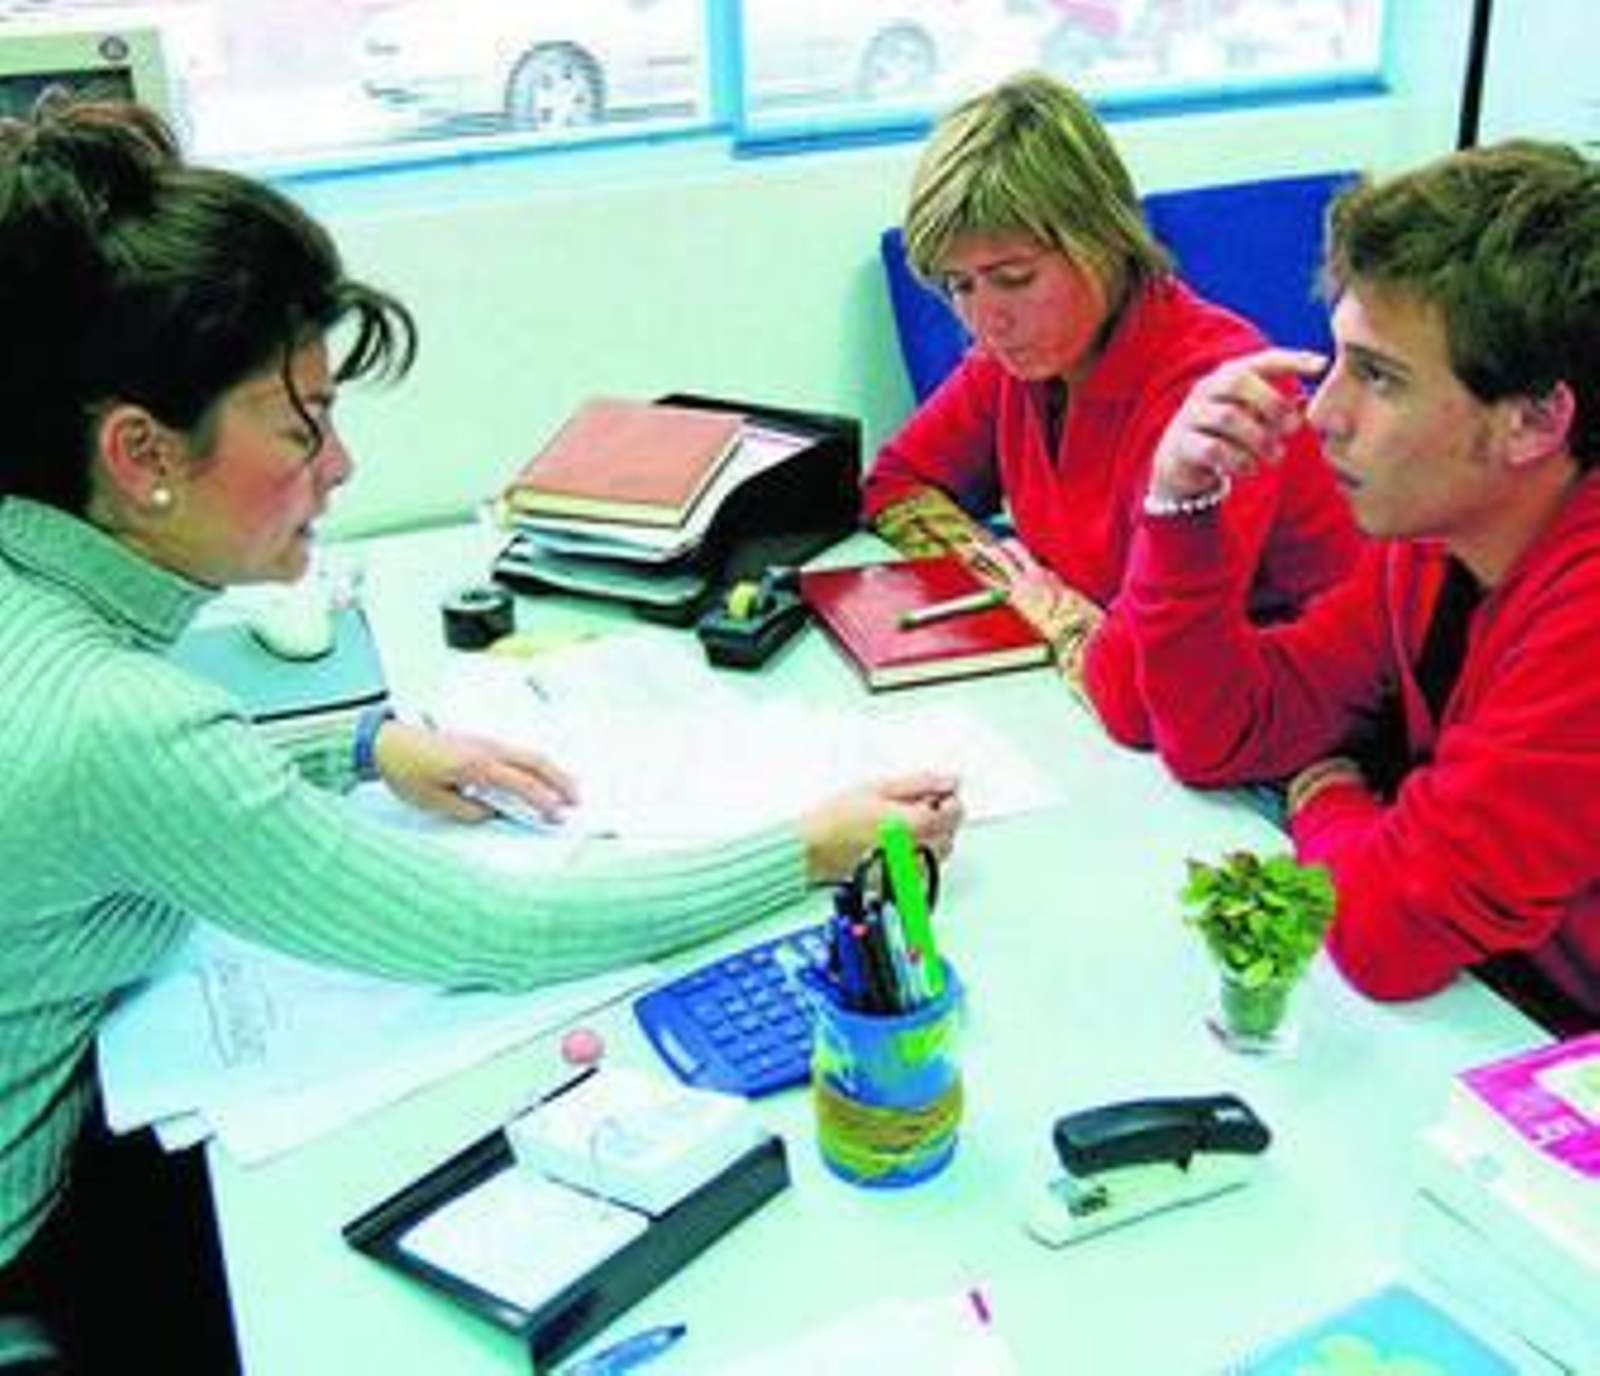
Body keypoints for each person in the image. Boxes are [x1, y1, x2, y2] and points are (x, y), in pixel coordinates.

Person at [0, 99, 962, 1371]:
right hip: (42, 1229)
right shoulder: (124, 723)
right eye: (301, 423)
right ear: (140, 453)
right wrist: (807, 849)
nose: (340, 466)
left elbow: (116, 792)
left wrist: (363, 748)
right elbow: (488, 932)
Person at [1123, 139, 1600, 1025]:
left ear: (1535, 421)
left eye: (1379, 377)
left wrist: (1327, 797)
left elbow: (1387, 935)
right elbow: (1223, 732)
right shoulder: (1437, 536)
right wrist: (1180, 509)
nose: (1322, 413)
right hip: (1501, 1012)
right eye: (1337, 359)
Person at [862, 72, 1360, 745]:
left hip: (1293, 738)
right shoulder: (1018, 358)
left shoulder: (1210, 399)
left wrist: (1058, 616)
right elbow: (893, 487)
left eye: (1014, 278)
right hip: (1126, 720)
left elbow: (1140, 696)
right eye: (959, 286)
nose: (985, 320)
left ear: (1099, 239)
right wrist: (1006, 578)